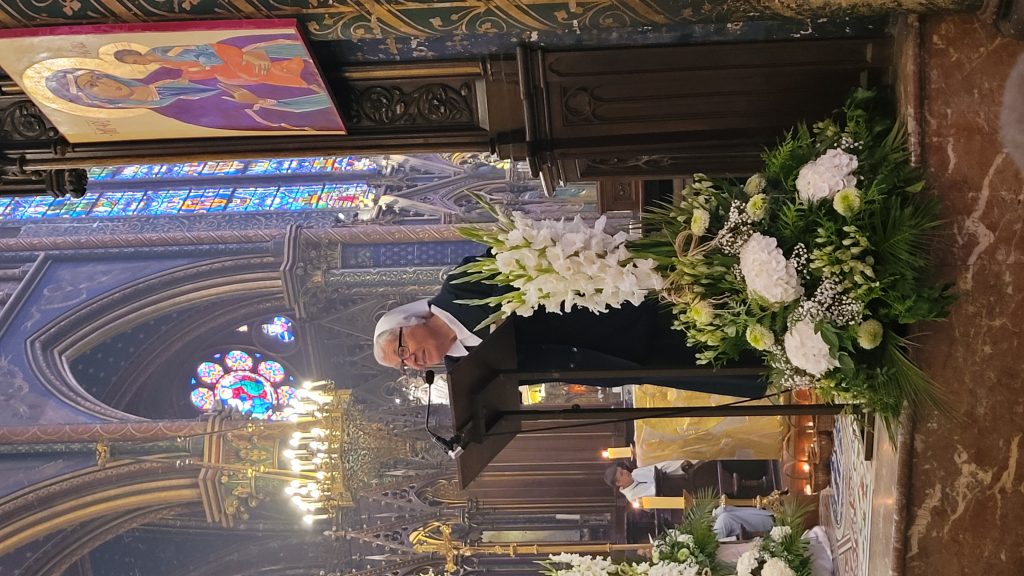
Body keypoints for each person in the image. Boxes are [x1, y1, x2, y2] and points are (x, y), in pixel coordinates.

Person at [372, 253, 768, 398]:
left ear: (409, 321)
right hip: (610, 365)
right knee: (730, 366)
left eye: (402, 351)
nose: (412, 362)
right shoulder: (463, 373)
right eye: (404, 365)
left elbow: (524, 258)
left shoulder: (462, 285)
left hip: (620, 314)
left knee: (725, 318)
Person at [111, 39, 321, 90]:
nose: (140, 63)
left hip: (217, 54)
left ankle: (298, 70)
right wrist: (186, 77)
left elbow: (193, 53)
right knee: (232, 78)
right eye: (135, 64)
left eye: (136, 60)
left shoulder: (158, 53)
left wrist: (200, 68)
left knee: (247, 73)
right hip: (214, 63)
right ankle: (300, 76)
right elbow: (185, 65)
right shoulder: (158, 59)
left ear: (136, 53)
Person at [603, 461, 696, 505]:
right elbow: (657, 494)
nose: (626, 471)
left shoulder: (635, 472)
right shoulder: (633, 497)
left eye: (623, 470)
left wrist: (681, 467)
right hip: (675, 492)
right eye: (621, 474)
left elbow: (658, 467)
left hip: (677, 474)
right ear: (618, 483)